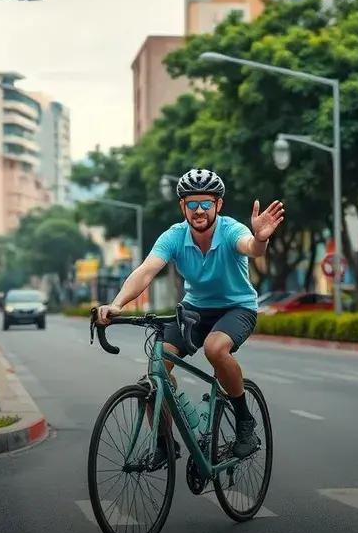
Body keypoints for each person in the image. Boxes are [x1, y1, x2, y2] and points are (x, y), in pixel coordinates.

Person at [96, 168, 284, 465]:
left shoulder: (231, 229)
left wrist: (260, 239)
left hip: (237, 308)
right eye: (192, 204)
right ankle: (164, 444)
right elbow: (146, 270)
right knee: (155, 372)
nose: (199, 210)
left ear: (218, 205)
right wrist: (117, 304)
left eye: (206, 203)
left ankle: (245, 422)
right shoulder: (174, 236)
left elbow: (251, 247)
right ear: (182, 206)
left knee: (215, 348)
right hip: (195, 309)